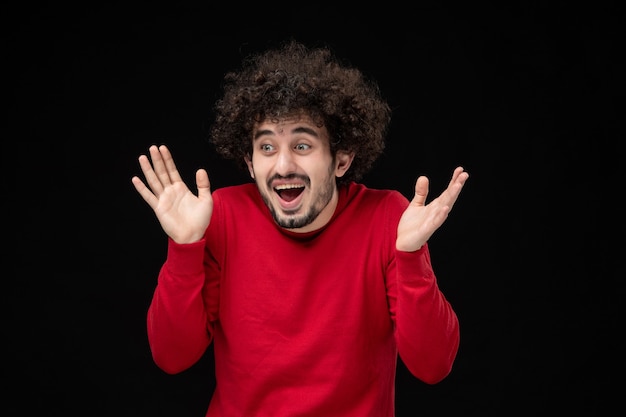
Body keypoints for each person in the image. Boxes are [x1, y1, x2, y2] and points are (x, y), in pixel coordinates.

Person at [131, 39, 469, 417]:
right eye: (267, 148)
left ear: (341, 160)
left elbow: (433, 366)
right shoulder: (221, 217)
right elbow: (172, 357)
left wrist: (410, 258)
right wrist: (184, 248)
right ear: (250, 161)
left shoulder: (387, 218)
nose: (283, 166)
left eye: (303, 145)